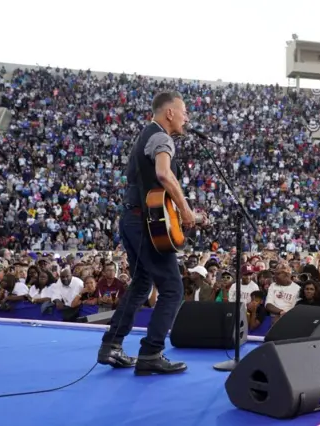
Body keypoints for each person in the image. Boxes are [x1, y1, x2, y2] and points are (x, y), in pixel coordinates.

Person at [97, 91, 197, 376]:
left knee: (141, 283)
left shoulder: (145, 135)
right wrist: (186, 210)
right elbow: (164, 175)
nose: (186, 117)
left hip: (132, 219)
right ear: (169, 113)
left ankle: (111, 346)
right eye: (184, 111)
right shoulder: (162, 138)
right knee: (173, 288)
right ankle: (151, 353)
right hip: (145, 224)